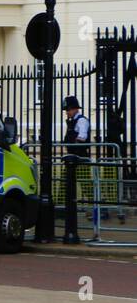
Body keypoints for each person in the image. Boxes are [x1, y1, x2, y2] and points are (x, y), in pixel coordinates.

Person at [61, 95, 91, 244]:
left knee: (87, 185)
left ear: (74, 109)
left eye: (68, 110)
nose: (67, 112)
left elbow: (82, 138)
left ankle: (95, 210)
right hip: (71, 158)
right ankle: (62, 209)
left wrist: (72, 140)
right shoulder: (73, 121)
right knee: (65, 183)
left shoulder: (82, 121)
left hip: (80, 158)